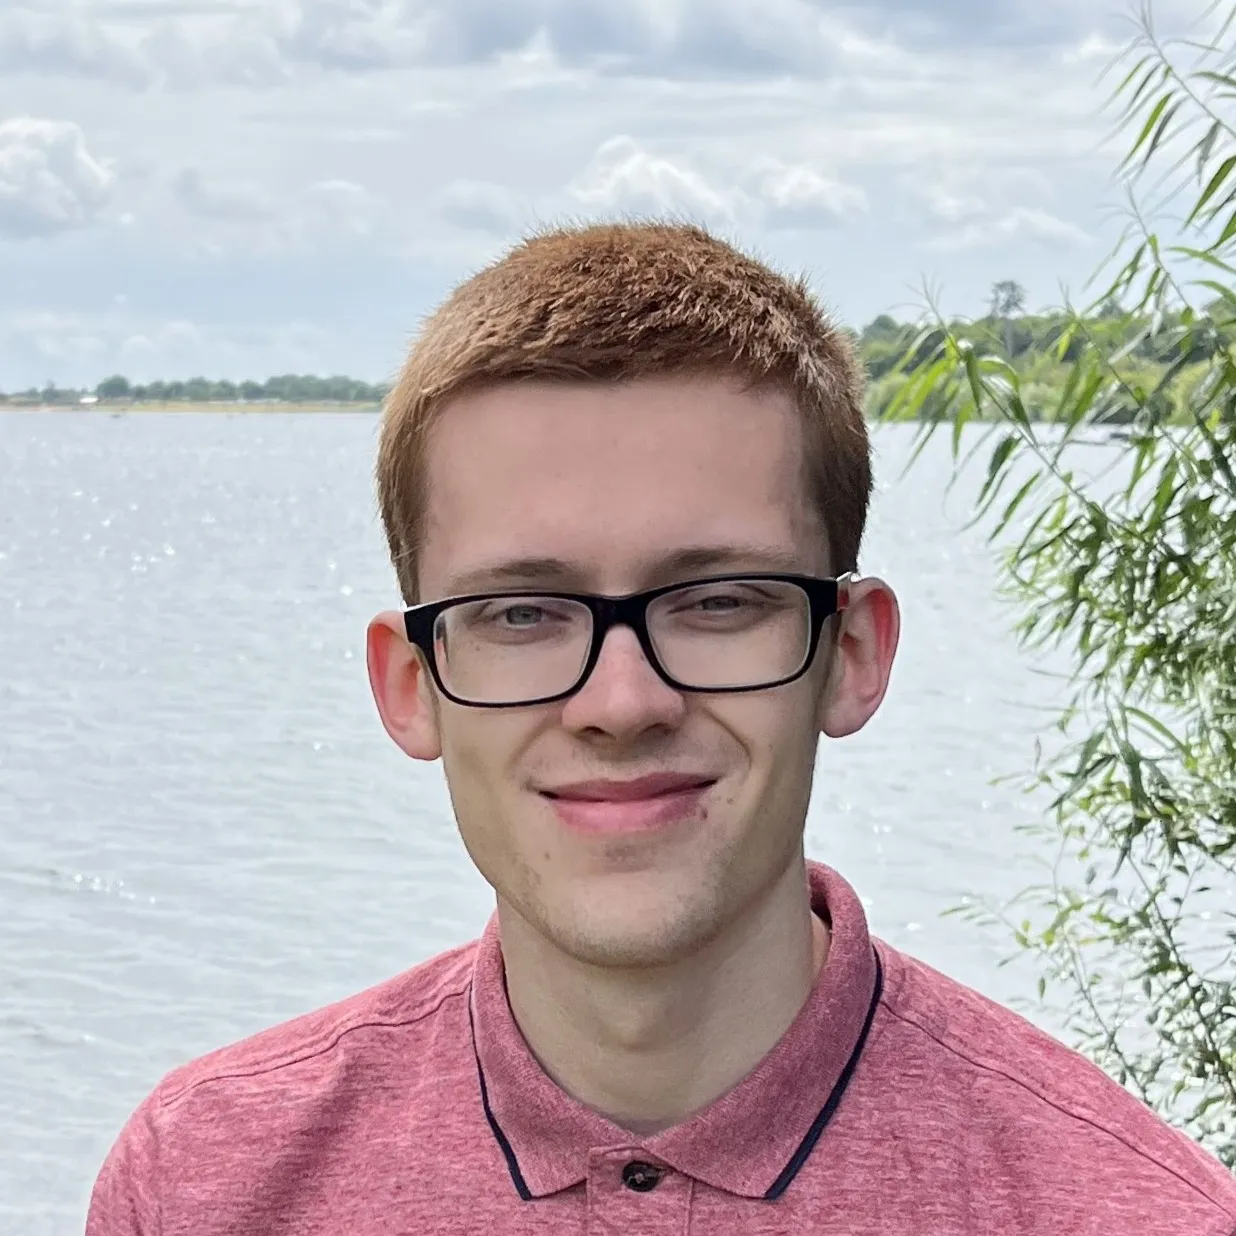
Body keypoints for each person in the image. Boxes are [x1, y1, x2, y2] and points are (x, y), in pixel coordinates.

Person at [85, 222, 1236, 1236]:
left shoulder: (1132, 1213)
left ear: (852, 654)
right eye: (523, 612)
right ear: (411, 681)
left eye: (719, 601)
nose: (621, 703)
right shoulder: (205, 1187)